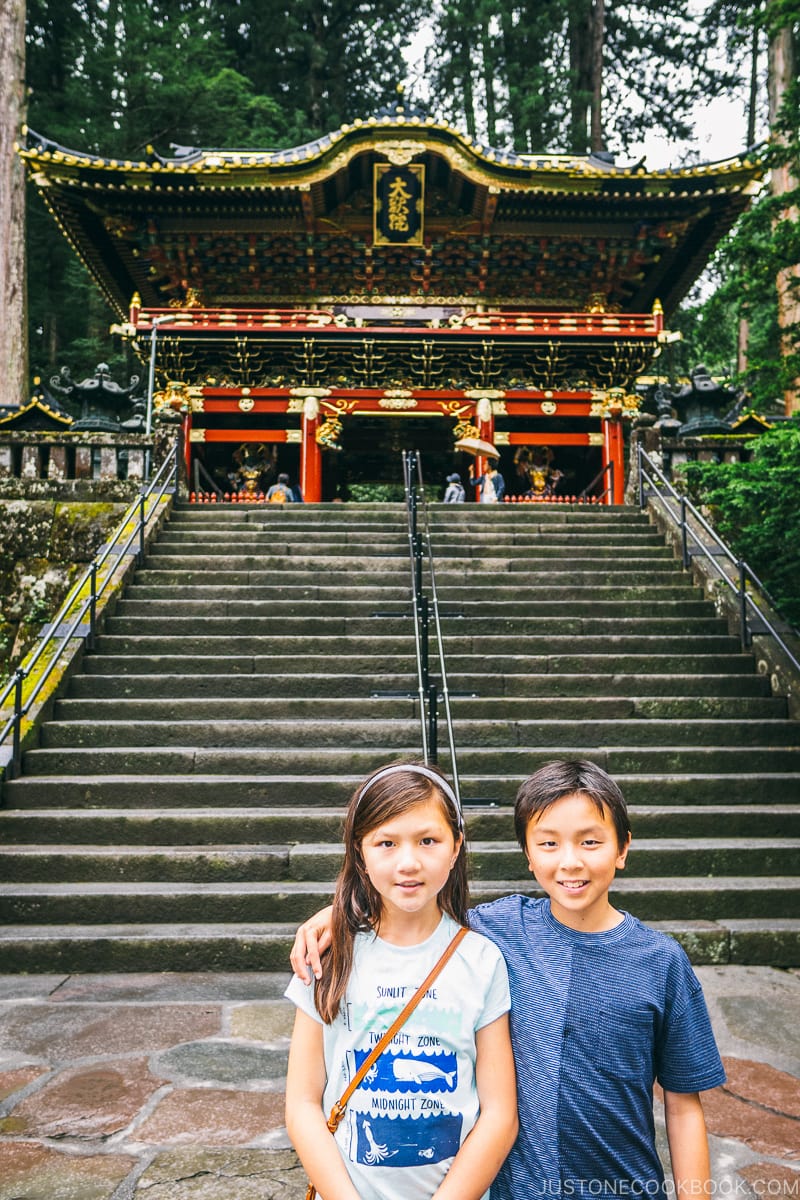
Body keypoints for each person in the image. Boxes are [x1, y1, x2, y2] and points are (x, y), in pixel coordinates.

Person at [290, 759, 726, 1200]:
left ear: (622, 847)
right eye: (549, 843)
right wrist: (339, 918)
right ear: (528, 853)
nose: (570, 862)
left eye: (590, 841)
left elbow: (684, 1104)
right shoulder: (500, 930)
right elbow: (411, 916)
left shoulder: (660, 961)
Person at [284, 760, 518, 1200]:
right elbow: (301, 1104)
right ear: (360, 854)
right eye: (386, 843)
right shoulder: (329, 956)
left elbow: (500, 1114)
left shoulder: (483, 960)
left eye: (428, 840)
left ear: (455, 848)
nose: (408, 862)